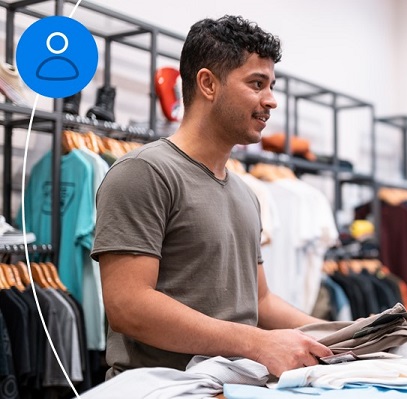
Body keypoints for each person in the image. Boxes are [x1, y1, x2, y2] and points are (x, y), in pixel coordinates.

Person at [91, 15, 332, 379]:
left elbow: (261, 302)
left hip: (235, 384)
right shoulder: (143, 172)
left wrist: (344, 334)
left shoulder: (246, 194)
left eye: (271, 86)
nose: (271, 101)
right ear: (207, 84)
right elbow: (128, 305)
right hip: (161, 387)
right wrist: (255, 343)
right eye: (257, 84)